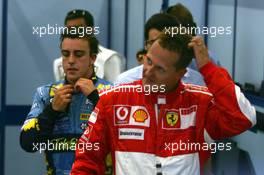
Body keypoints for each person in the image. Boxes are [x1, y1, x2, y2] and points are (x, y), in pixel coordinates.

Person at [70, 33, 256, 175]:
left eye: (160, 68)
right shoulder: (113, 100)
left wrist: (208, 68)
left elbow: (243, 117)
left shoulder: (199, 104)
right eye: (148, 61)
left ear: (180, 74)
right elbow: (87, 159)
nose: (148, 72)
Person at [20, 30, 111, 175]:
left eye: (79, 54)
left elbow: (121, 140)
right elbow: (27, 143)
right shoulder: (45, 93)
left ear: (93, 58)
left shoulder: (111, 91)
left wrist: (95, 99)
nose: (71, 60)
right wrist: (52, 110)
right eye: (65, 54)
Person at [115, 3, 219, 85]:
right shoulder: (124, 82)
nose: (159, 49)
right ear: (146, 45)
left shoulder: (197, 82)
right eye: (154, 42)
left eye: (165, 43)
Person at [54, 9, 125, 83]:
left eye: (79, 29)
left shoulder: (109, 58)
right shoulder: (58, 63)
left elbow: (116, 90)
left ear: (91, 30)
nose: (74, 33)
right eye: (70, 29)